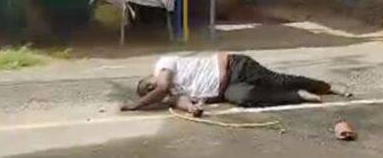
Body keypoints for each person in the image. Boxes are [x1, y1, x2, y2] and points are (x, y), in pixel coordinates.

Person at [121, 53, 351, 112]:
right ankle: (298, 96)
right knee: (243, 98)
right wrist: (193, 109)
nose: (150, 88)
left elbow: (160, 87)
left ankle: (328, 86)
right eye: (146, 92)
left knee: (277, 79)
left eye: (147, 85)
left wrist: (136, 105)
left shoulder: (164, 64)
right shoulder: (170, 94)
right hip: (229, 89)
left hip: (234, 66)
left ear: (151, 76)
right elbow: (180, 101)